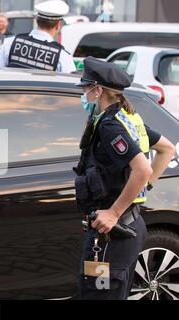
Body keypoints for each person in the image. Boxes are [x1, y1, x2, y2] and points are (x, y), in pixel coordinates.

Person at [74, 57, 176, 300]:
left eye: (86, 88)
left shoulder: (111, 125)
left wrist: (114, 212)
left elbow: (142, 169)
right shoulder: (128, 117)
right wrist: (144, 188)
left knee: (98, 295)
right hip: (127, 228)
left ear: (98, 90)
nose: (84, 94)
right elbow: (167, 149)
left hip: (111, 235)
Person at [0, 0, 76, 73]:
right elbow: (72, 86)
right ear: (58, 25)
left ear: (36, 20)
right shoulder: (62, 56)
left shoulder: (10, 43)